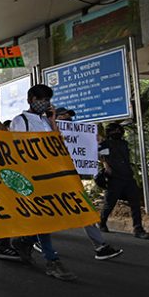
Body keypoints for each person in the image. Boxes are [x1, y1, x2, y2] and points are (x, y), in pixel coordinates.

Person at [9, 84, 77, 281]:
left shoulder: (46, 121)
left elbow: (57, 145)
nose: (44, 103)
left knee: (46, 216)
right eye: (40, 99)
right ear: (30, 100)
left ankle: (25, 241)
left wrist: (53, 122)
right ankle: (51, 260)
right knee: (44, 216)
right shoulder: (20, 121)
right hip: (29, 177)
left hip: (48, 175)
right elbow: (17, 149)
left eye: (47, 100)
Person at [51, 108, 124, 261]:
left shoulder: (81, 136)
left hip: (72, 181)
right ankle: (33, 239)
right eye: (63, 116)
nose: (67, 118)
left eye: (69, 116)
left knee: (85, 210)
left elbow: (99, 153)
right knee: (48, 212)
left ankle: (100, 246)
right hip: (53, 181)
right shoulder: (48, 134)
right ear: (55, 118)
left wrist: (99, 143)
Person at [98, 122, 149, 239]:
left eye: (119, 130)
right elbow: (100, 156)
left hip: (128, 177)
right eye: (115, 131)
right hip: (114, 178)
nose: (118, 132)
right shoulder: (105, 144)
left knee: (135, 203)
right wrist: (106, 166)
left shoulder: (124, 143)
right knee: (109, 204)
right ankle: (102, 222)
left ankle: (138, 229)